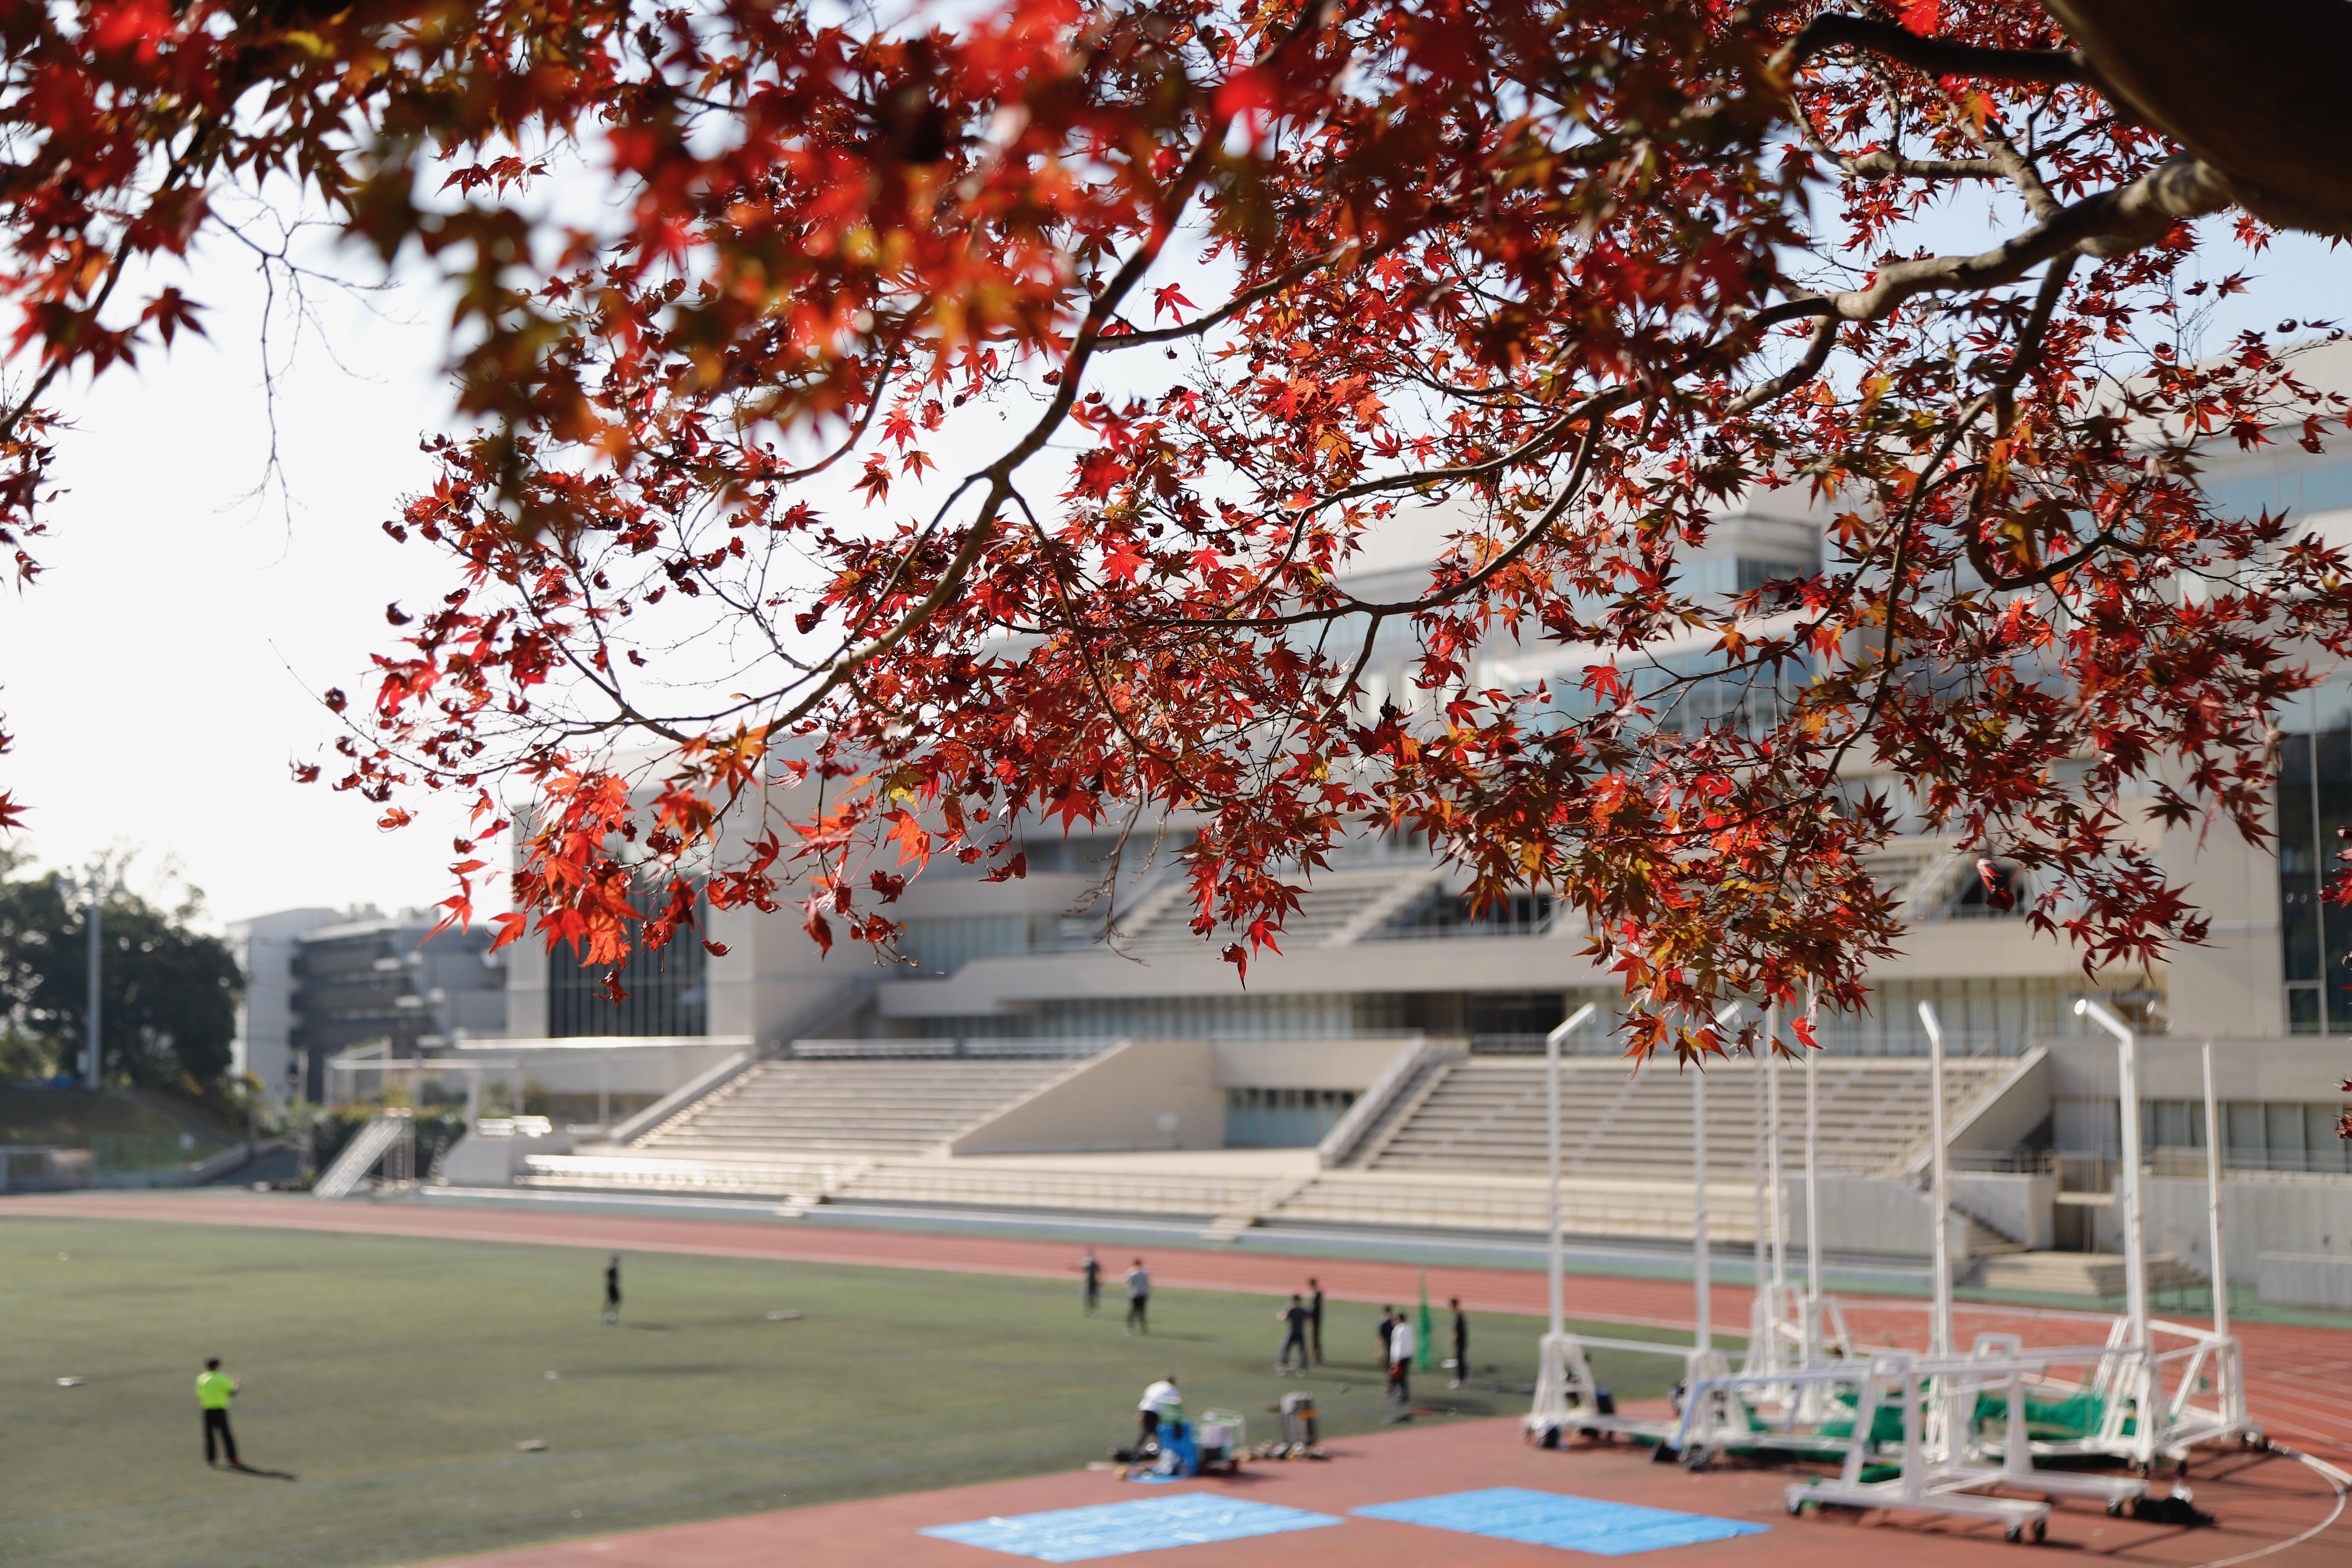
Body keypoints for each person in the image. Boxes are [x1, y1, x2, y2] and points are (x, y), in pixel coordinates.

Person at [196, 1357, 240, 1468]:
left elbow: (200, 1393)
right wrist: (237, 1383)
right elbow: (232, 1392)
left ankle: (211, 1460)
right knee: (226, 1435)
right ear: (217, 1366)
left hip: (207, 1409)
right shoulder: (223, 1378)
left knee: (209, 1435)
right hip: (220, 1409)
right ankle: (232, 1459)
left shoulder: (201, 1379)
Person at [1137, 1374, 1181, 1445]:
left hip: (1144, 1410)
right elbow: (1176, 1402)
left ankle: (1137, 1447)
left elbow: (1146, 1396)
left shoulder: (1155, 1386)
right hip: (1155, 1411)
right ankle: (1162, 1447)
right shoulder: (1170, 1388)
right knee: (1155, 1431)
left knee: (1147, 1431)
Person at [1277, 1293, 1311, 1374]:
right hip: (1300, 1332)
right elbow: (1308, 1318)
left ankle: (1284, 1365)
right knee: (1302, 1350)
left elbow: (1284, 1318)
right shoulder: (1302, 1309)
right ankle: (1303, 1367)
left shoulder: (1290, 1309)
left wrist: (1280, 1316)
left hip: (1292, 1332)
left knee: (1286, 1349)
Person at [1388, 1312, 1416, 1406]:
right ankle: (1402, 1394)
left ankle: (1403, 1396)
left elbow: (1399, 1345)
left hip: (1400, 1357)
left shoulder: (1399, 1330)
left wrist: (1396, 1359)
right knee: (1403, 1376)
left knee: (1401, 1378)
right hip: (1408, 1355)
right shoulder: (1409, 1328)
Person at [1124, 1257, 1150, 1335]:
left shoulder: (1132, 1272)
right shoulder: (1145, 1273)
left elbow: (1126, 1282)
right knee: (1142, 1312)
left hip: (1135, 1294)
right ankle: (1143, 1328)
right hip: (1143, 1294)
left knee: (1132, 1312)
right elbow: (1147, 1284)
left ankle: (1130, 1328)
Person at [1449, 1297, 1469, 1389]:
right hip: (1463, 1341)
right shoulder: (1460, 1315)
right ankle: (1465, 1376)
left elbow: (1457, 1331)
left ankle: (1460, 1379)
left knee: (1459, 1360)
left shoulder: (1458, 1317)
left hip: (1460, 1342)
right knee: (1461, 1360)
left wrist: (1454, 1340)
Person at [1375, 1305, 1396, 1375]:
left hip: (1386, 1337)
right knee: (1390, 1351)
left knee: (1385, 1352)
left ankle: (1386, 1364)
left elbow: (1381, 1327)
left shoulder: (1384, 1318)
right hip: (1392, 1337)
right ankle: (1390, 1364)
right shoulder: (1393, 1319)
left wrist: (1381, 1337)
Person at [1079, 1249, 1101, 1315]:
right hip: (1088, 1282)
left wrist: (1099, 1280)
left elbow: (1099, 1273)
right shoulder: (1087, 1264)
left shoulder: (1095, 1264)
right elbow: (1083, 1270)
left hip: (1094, 1283)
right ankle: (1087, 1309)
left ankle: (1093, 1309)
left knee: (1093, 1297)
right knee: (1086, 1296)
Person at [1307, 1278, 1324, 1364]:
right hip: (1315, 1319)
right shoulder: (1316, 1293)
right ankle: (1316, 1356)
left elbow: (1314, 1309)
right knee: (1315, 1338)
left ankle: (1316, 1357)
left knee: (1315, 1338)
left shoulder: (1317, 1294)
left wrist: (1309, 1316)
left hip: (1315, 1319)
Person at [602, 1255, 622, 1323]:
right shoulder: (612, 1270)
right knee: (612, 1301)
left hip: (614, 1287)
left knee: (615, 1302)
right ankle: (607, 1316)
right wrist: (613, 1283)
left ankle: (609, 1315)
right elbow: (609, 1278)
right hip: (612, 1287)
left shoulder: (615, 1270)